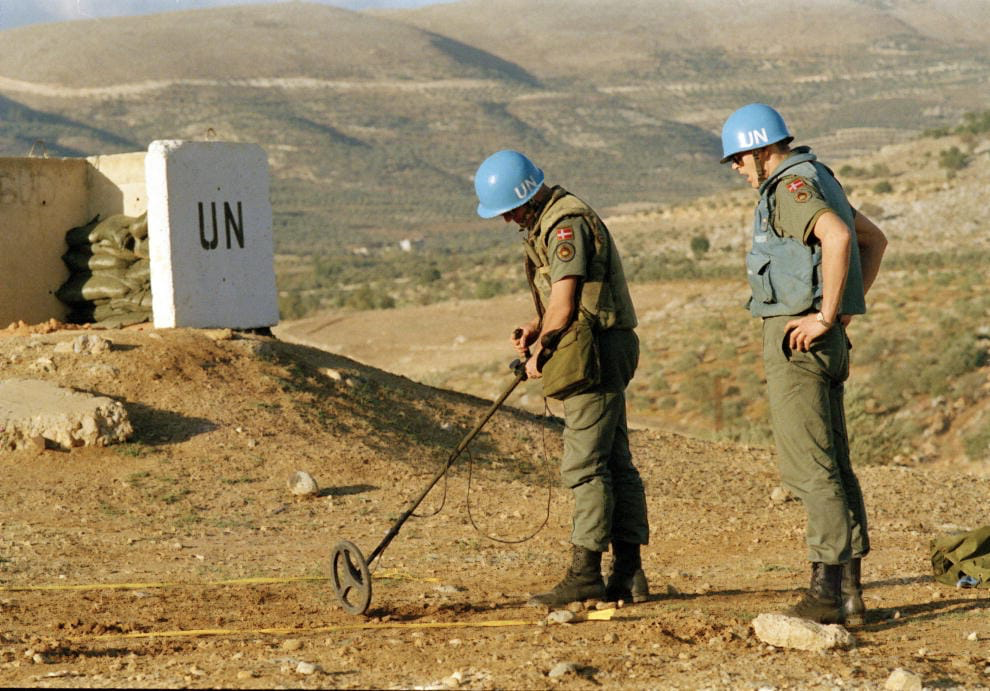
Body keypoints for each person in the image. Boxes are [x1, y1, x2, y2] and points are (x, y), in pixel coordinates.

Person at [719, 104, 888, 624]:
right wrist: (838, 312)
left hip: (799, 339)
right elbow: (873, 240)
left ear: (760, 149)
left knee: (810, 467)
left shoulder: (789, 187)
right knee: (834, 465)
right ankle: (852, 596)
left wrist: (825, 313)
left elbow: (839, 238)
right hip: (825, 338)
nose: (736, 169)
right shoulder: (820, 176)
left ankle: (824, 595)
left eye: (738, 159)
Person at [473, 149, 650, 606]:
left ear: (525, 197)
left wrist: (542, 351)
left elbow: (567, 301)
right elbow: (564, 299)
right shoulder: (552, 220)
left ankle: (585, 574)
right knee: (613, 462)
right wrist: (536, 328)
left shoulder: (563, 225)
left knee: (585, 465)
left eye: (509, 210)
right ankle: (629, 574)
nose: (507, 220)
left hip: (594, 354)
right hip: (603, 346)